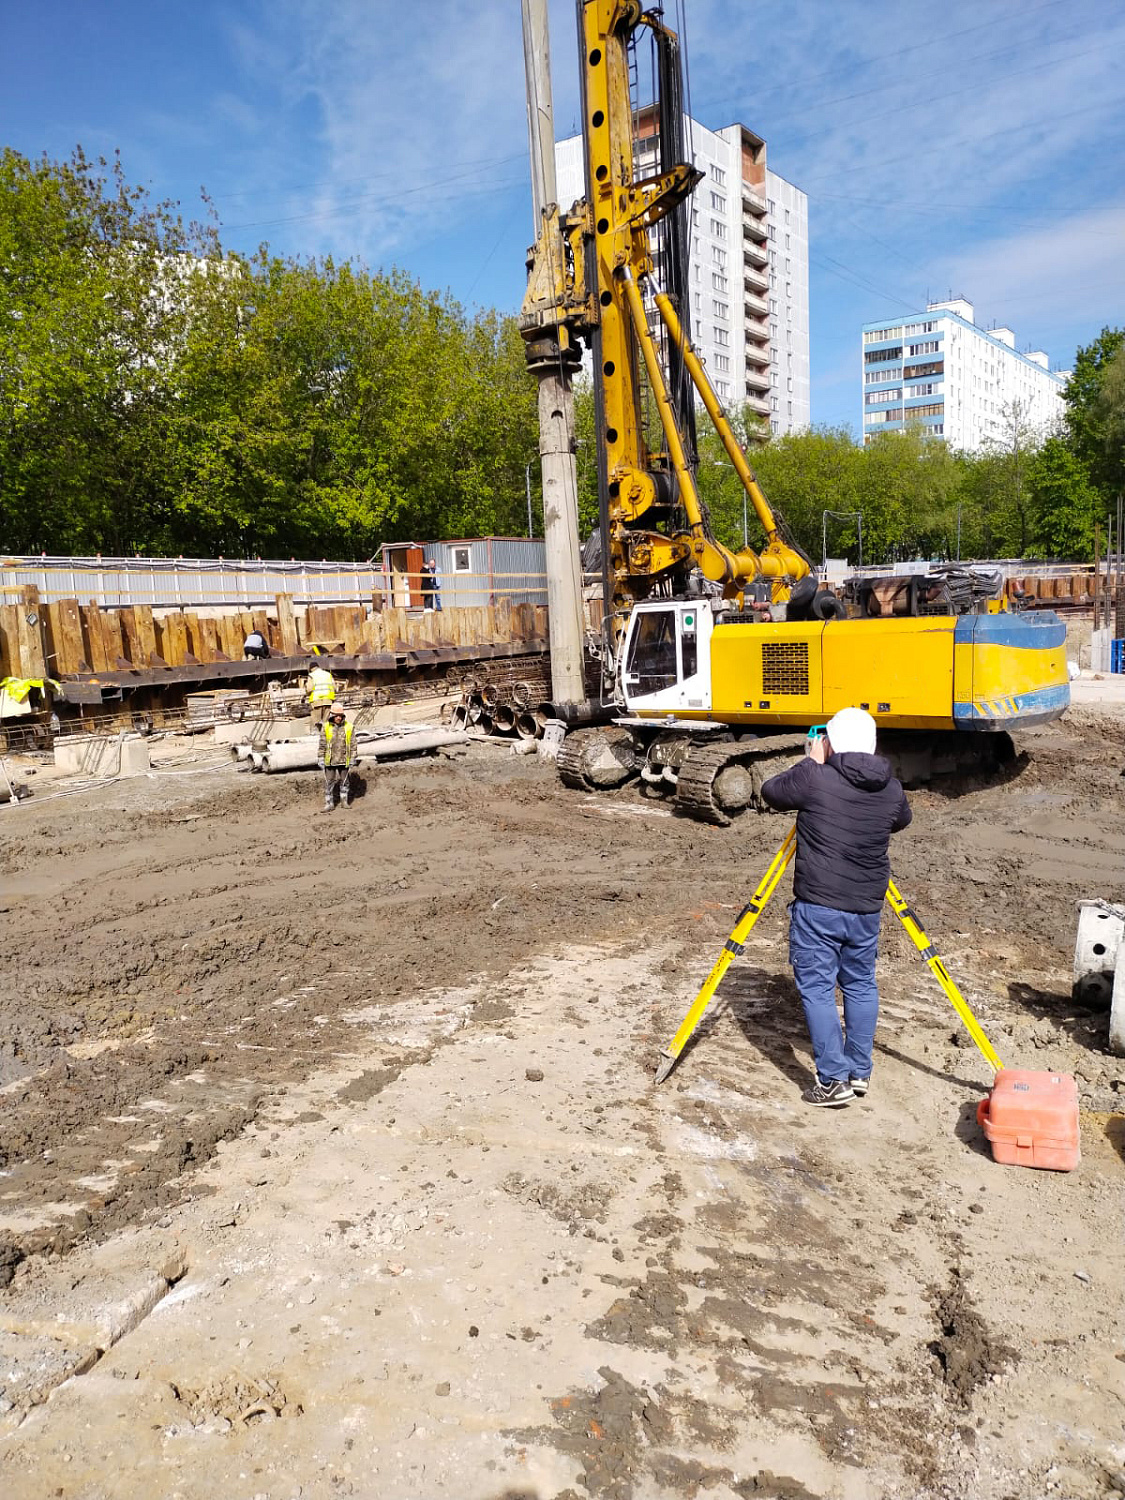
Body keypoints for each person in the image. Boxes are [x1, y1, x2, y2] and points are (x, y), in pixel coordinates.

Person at [760, 706, 912, 1108]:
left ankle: (832, 1081)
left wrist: (810, 760)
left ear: (830, 741)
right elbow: (900, 820)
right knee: (861, 984)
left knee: (818, 989)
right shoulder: (892, 788)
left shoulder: (814, 777)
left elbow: (771, 792)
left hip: (819, 906)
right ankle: (859, 1072)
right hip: (866, 908)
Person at [317, 708, 356, 812]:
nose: (339, 718)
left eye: (340, 715)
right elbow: (322, 744)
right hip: (330, 760)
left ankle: (344, 801)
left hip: (344, 759)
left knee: (344, 781)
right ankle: (329, 803)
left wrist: (353, 757)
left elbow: (353, 744)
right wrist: (320, 757)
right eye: (336, 715)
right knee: (329, 781)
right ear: (332, 716)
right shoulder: (326, 727)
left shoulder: (349, 727)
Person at [305, 658, 337, 727]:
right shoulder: (328, 674)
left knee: (317, 723)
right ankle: (326, 735)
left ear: (311, 669)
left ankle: (317, 735)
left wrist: (306, 693)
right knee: (326, 723)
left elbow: (309, 689)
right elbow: (334, 687)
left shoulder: (312, 675)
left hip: (316, 702)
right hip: (328, 701)